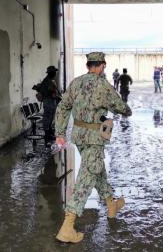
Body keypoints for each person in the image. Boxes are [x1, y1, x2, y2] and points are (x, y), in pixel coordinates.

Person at [54, 52, 132, 243]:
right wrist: (126, 110)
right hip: (95, 138)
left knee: (96, 170)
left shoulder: (76, 83)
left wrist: (60, 133)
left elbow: (63, 107)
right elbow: (121, 107)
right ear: (102, 65)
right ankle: (67, 227)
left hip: (79, 136)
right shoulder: (103, 85)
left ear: (88, 65)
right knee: (86, 179)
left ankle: (111, 205)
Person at [40, 65, 61, 141]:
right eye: (54, 72)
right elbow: (45, 92)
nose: (55, 73)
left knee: (51, 117)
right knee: (47, 117)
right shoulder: (47, 81)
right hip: (48, 101)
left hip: (51, 101)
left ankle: (49, 132)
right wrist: (53, 94)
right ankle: (47, 134)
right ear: (51, 73)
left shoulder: (51, 80)